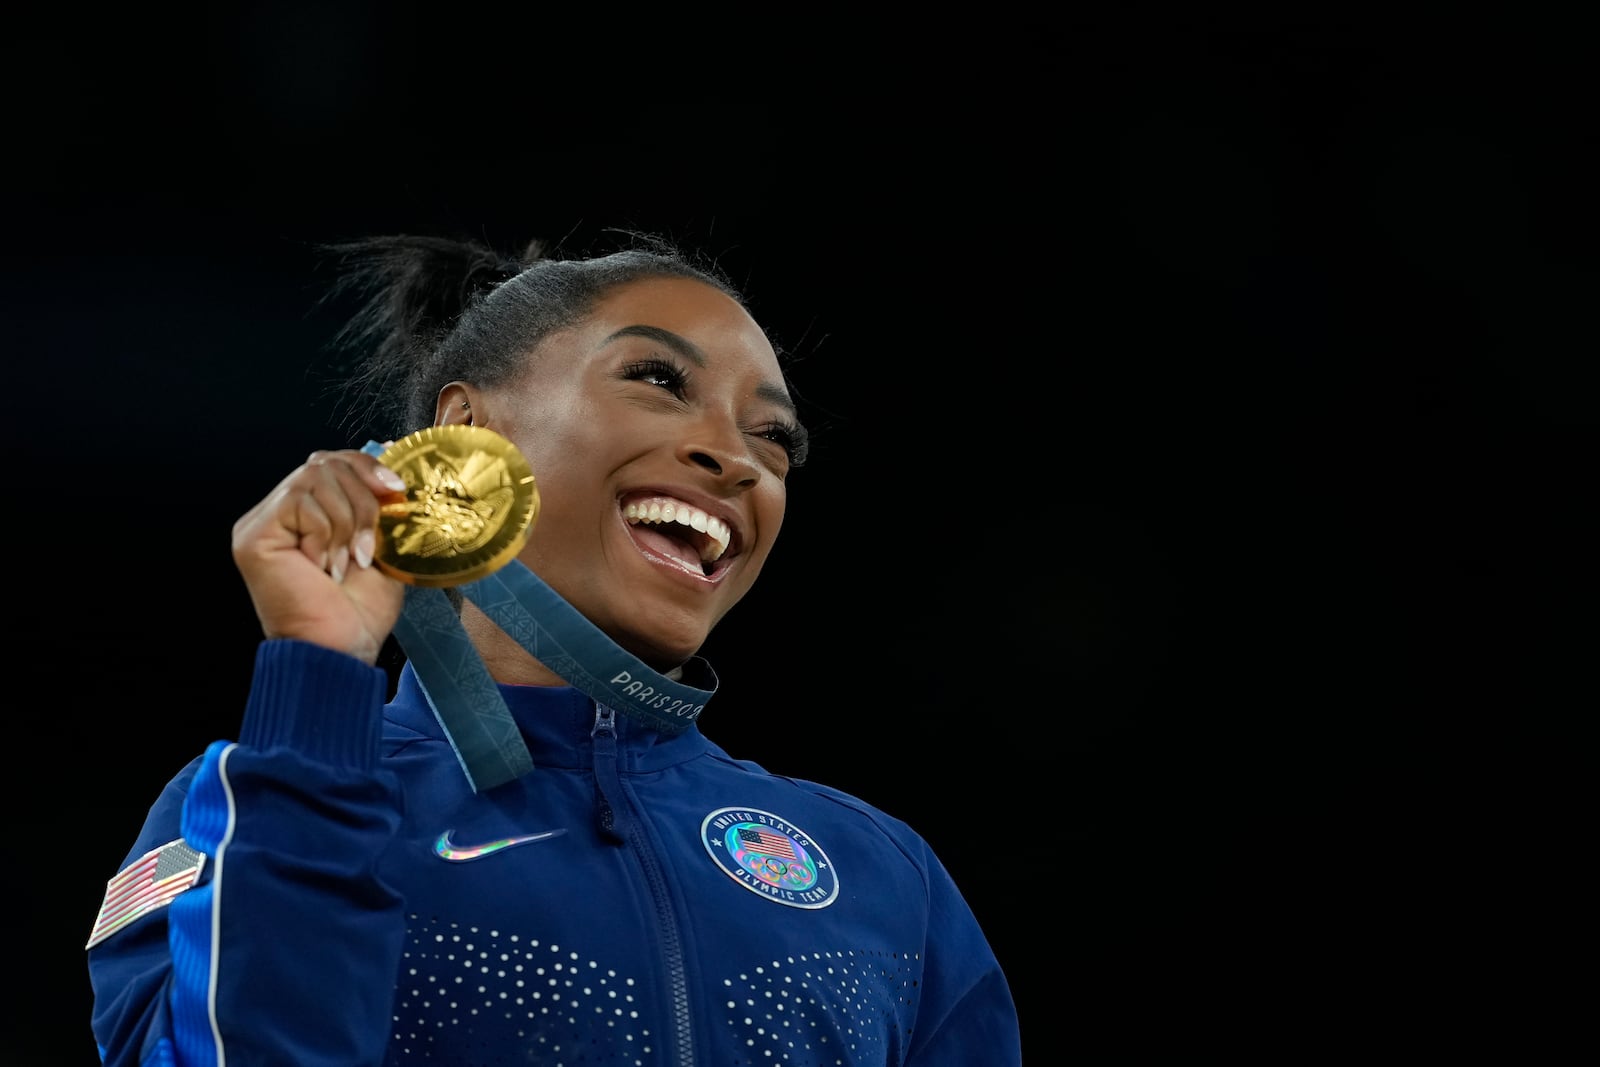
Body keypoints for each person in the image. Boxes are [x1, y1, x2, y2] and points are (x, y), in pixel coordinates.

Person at [83, 230, 1023, 1066]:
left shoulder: (885, 876)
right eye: (659, 380)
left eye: (774, 439)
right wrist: (319, 674)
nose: (738, 460)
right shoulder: (271, 799)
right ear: (465, 431)